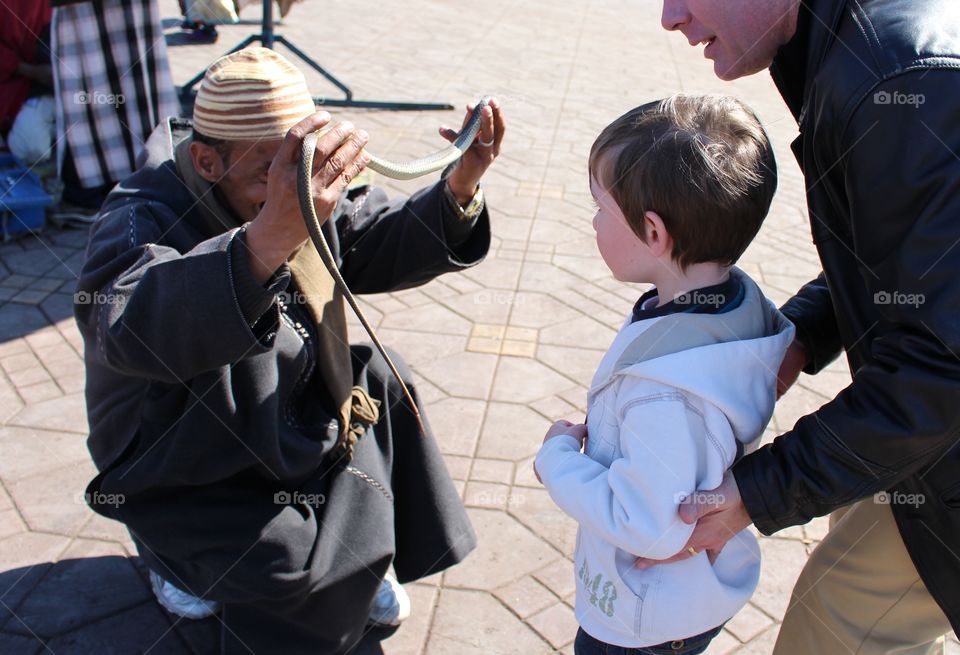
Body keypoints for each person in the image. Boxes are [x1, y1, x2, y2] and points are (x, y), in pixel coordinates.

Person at [75, 46, 504, 654]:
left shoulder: (290, 181)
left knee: (379, 378)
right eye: (267, 180)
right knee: (281, 555)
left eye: (298, 177)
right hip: (178, 448)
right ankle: (176, 562)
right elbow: (126, 324)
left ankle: (358, 564)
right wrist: (269, 235)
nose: (292, 196)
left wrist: (461, 184)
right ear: (205, 159)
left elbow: (373, 236)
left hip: (272, 406)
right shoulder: (139, 215)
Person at [650, 1, 960, 652]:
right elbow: (908, 267)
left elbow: (942, 369)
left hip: (937, 441)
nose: (669, 16)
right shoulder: (866, 52)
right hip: (922, 443)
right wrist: (795, 339)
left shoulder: (898, 79)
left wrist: (754, 493)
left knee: (833, 625)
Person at [534, 94, 793, 655]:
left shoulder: (664, 393)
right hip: (685, 596)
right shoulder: (734, 300)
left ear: (654, 233)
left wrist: (555, 461)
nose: (594, 221)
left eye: (601, 208)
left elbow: (646, 523)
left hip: (641, 616)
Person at [52, 0, 179, 209]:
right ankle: (98, 185)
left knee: (138, 87)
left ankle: (148, 172)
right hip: (82, 16)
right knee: (88, 91)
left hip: (131, 12)